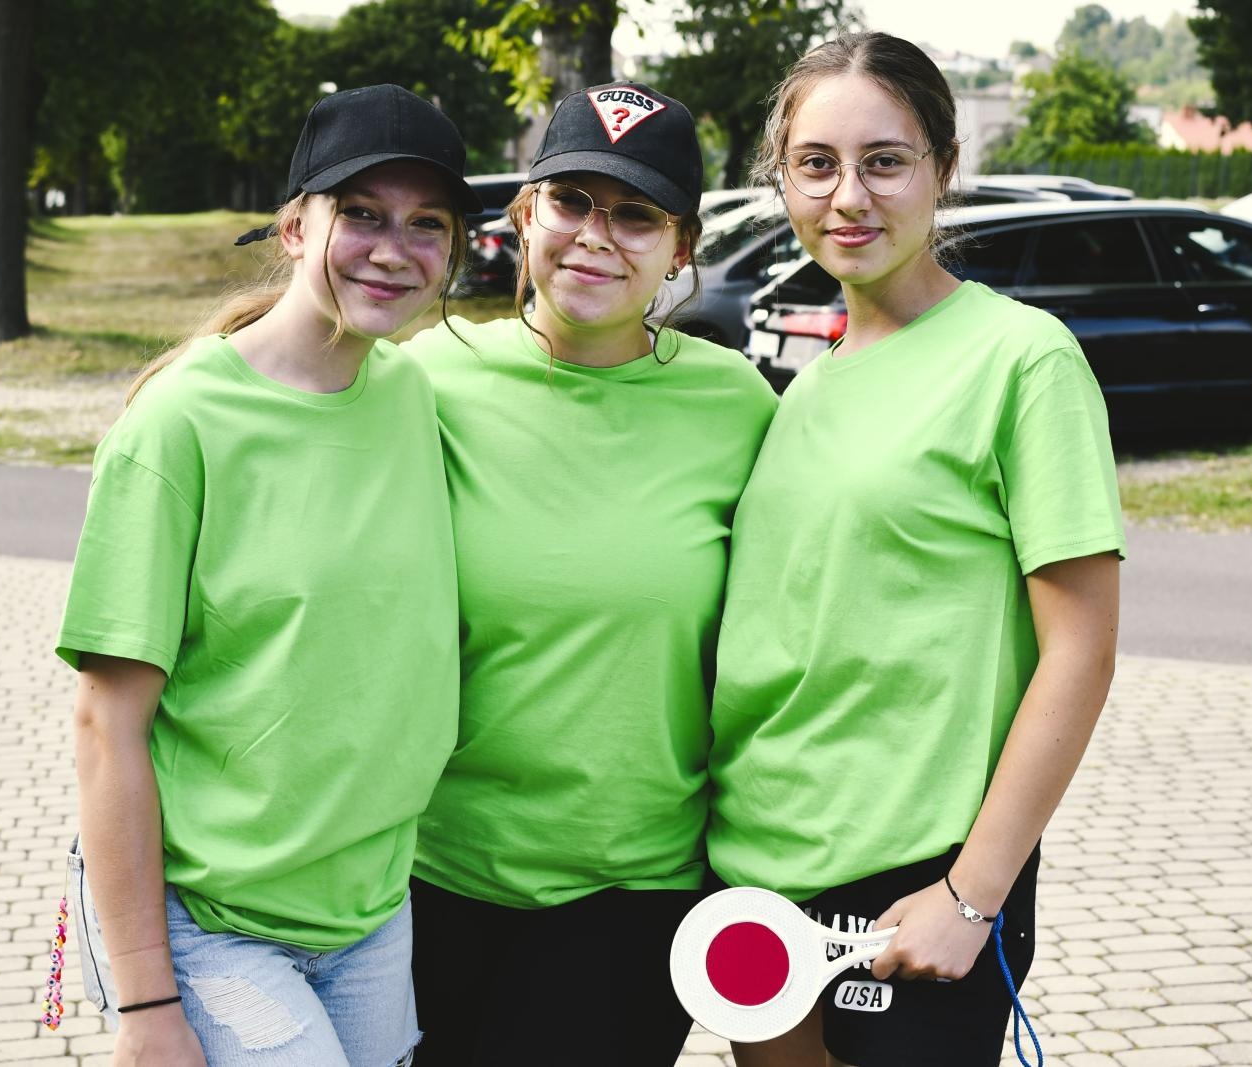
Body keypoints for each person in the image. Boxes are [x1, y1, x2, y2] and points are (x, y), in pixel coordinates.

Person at [707, 32, 1125, 1067]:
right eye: (816, 164)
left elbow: (1078, 652)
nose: (847, 196)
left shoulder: (1020, 358)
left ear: (942, 167)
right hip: (756, 866)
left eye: (883, 161)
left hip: (909, 878)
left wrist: (969, 893)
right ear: (783, 182)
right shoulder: (807, 383)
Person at [57, 84, 479, 1067]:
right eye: (361, 215)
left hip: (370, 910)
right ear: (295, 227)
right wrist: (145, 1002)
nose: (393, 247)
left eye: (428, 225)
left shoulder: (412, 395)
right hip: (214, 922)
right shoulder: (179, 426)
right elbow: (104, 725)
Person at [400, 81, 778, 1066]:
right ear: (524, 214)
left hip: (634, 891)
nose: (594, 236)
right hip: (426, 876)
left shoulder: (736, 405)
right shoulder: (422, 383)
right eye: (570, 200)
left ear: (681, 248)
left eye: (637, 215)